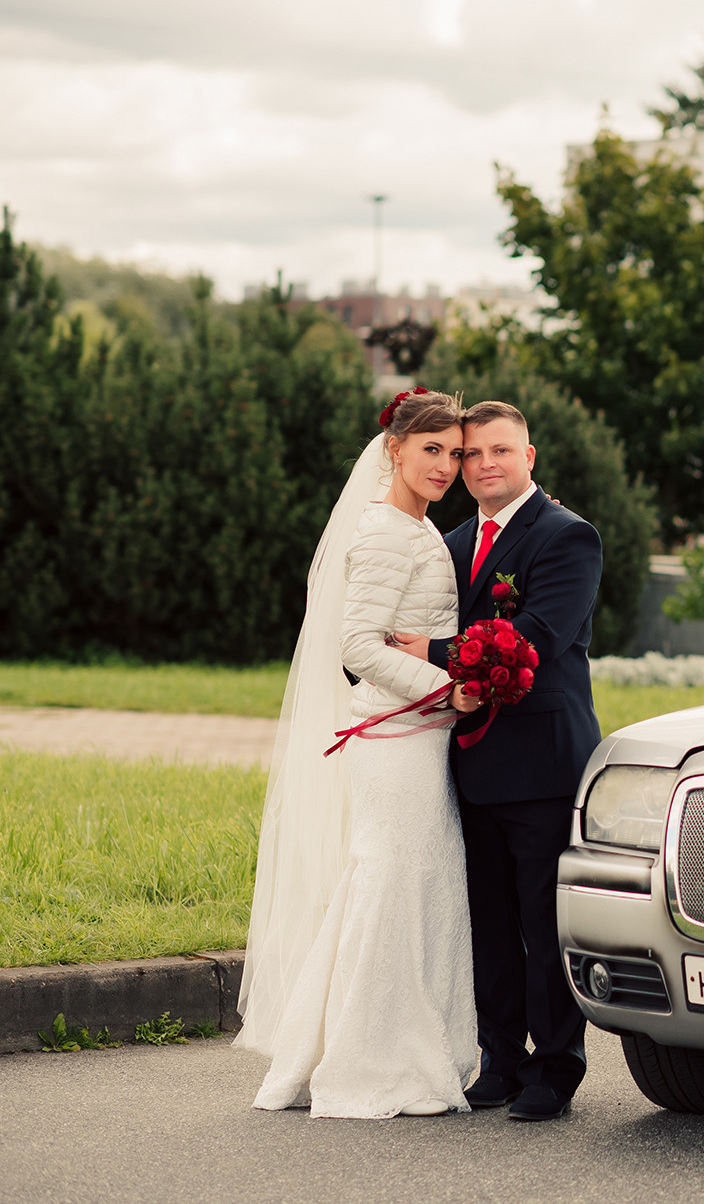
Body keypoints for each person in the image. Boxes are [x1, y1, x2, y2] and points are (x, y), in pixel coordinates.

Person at [239, 389, 484, 1119]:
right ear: (395, 450)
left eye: (454, 453)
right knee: (393, 882)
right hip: (396, 738)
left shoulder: (418, 526)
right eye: (431, 450)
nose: (445, 466)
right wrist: (448, 689)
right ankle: (366, 1058)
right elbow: (357, 646)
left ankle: (374, 1042)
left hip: (419, 737)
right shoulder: (383, 532)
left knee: (407, 883)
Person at [394, 400, 603, 1123]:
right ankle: (501, 1060)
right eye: (471, 453)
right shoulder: (449, 543)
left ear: (529, 456)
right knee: (487, 923)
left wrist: (430, 653)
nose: (484, 464)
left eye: (500, 450)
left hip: (542, 763)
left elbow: (536, 637)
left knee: (543, 926)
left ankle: (556, 1067)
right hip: (468, 761)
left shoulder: (567, 536)